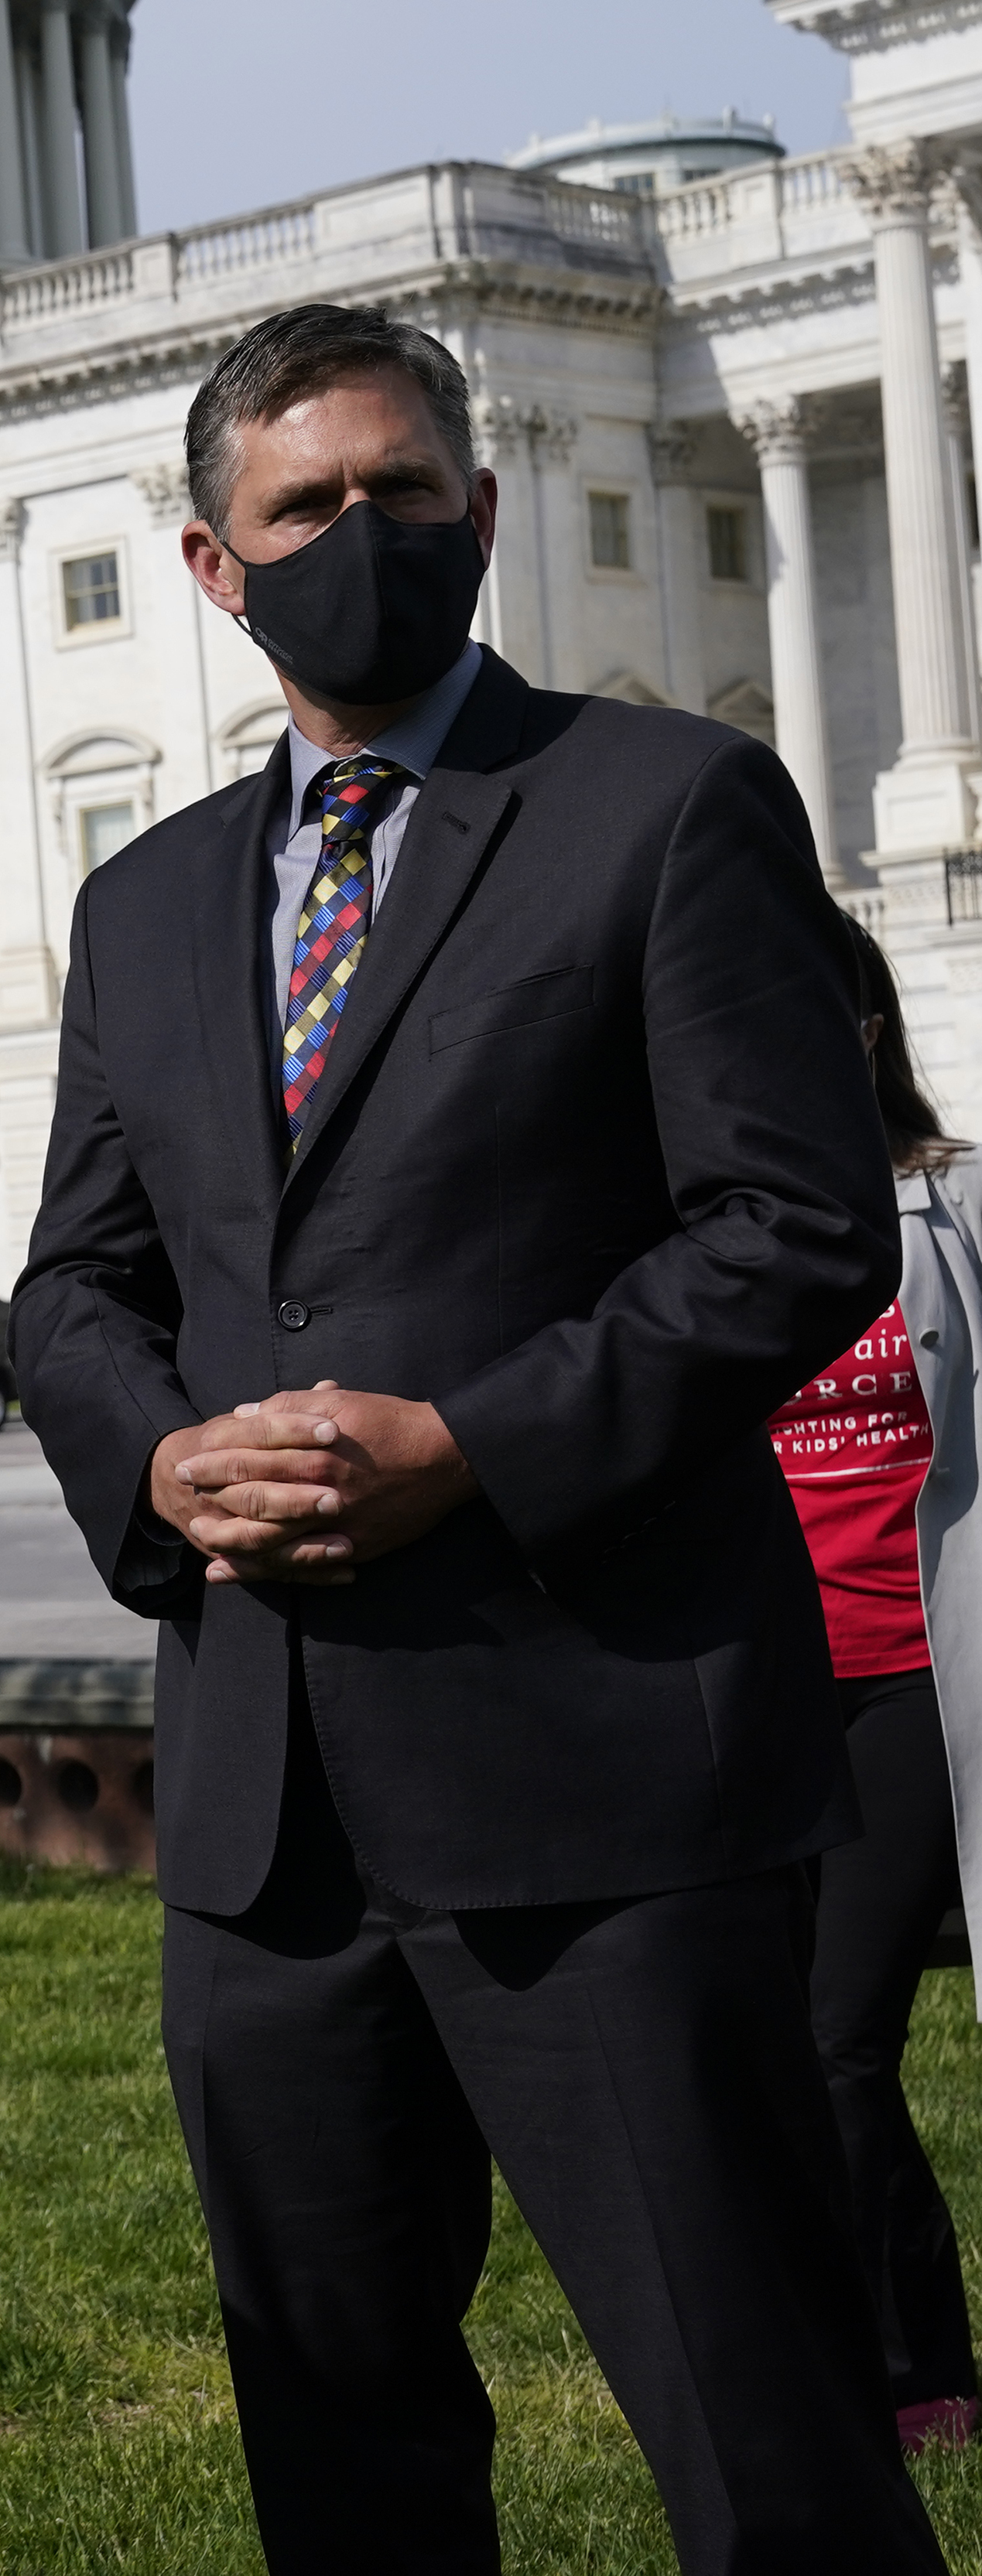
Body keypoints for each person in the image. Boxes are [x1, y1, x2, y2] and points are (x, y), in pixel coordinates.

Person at [11, 304, 943, 2571]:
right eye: (304, 507)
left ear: (483, 510)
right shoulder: (144, 908)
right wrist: (153, 1460)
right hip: (269, 1820)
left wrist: (474, 1438)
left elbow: (795, 1225)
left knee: (766, 2450)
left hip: (608, 1781)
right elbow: (75, 1286)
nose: (361, 535)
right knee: (345, 2464)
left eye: (400, 491)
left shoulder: (665, 804)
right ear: (216, 568)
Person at [777, 917, 981, 2454]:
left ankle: (921, 2376)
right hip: (767, 1686)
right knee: (791, 2041)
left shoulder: (953, 1199)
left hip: (918, 1669)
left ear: (860, 1023)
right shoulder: (717, 1223)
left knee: (838, 2035)